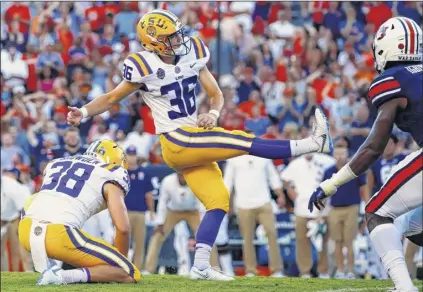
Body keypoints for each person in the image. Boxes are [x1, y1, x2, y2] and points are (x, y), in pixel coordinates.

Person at [67, 9, 333, 281]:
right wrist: (85, 112)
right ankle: (312, 144)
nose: (179, 39)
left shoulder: (193, 51)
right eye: (170, 37)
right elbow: (112, 98)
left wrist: (214, 114)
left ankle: (201, 266)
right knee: (241, 140)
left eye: (177, 33)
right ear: (153, 41)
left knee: (218, 200)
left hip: (193, 139)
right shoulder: (142, 65)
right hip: (176, 141)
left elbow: (216, 94)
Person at [308, 17, 422, 292]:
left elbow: (373, 148)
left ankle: (404, 287)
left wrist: (331, 183)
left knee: (375, 212)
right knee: (415, 227)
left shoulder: (392, 79)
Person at [18, 139, 141, 285]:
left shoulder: (57, 163)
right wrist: (118, 263)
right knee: (129, 272)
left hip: (25, 230)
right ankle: (60, 277)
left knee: (37, 198)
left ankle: (50, 269)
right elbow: (123, 228)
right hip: (58, 234)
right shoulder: (112, 173)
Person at [224, 154, 285, 278]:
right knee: (247, 238)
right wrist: (227, 203)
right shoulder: (233, 159)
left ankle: (276, 270)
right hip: (243, 204)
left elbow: (273, 176)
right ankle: (250, 270)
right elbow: (228, 182)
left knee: (272, 233)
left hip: (264, 201)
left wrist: (280, 194)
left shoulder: (264, 156)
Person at [323, 145, 368, 279]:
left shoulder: (354, 169)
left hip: (352, 207)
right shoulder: (328, 171)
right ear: (333, 155)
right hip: (334, 208)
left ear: (347, 154)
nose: (340, 156)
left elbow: (364, 186)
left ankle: (350, 270)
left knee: (349, 241)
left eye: (342, 153)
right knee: (337, 241)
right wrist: (321, 211)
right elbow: (324, 191)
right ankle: (340, 270)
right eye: (337, 153)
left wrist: (367, 204)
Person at [124, 146, 155, 271]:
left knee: (139, 242)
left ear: (137, 156)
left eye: (133, 154)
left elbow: (149, 194)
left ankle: (137, 269)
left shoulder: (144, 173)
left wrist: (151, 211)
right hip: (124, 213)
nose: (132, 157)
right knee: (123, 242)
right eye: (129, 155)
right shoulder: (122, 173)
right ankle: (122, 267)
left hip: (140, 212)